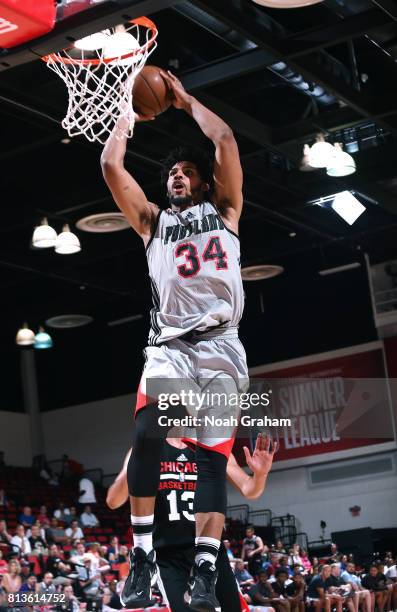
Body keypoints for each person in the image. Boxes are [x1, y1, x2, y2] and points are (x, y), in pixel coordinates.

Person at [102, 68, 249, 611]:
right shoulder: (151, 223)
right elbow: (110, 165)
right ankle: (141, 558)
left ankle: (207, 568)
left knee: (212, 463)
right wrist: (124, 113)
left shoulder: (226, 212)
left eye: (189, 171)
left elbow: (226, 140)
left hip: (223, 345)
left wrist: (184, 101)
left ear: (205, 182)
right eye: (173, 174)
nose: (179, 177)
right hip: (170, 346)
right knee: (146, 435)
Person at [107, 432, 276, 611]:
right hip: (168, 555)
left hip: (209, 552)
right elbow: (113, 500)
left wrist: (260, 475)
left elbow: (249, 490)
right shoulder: (148, 447)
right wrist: (134, 468)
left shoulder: (212, 444)